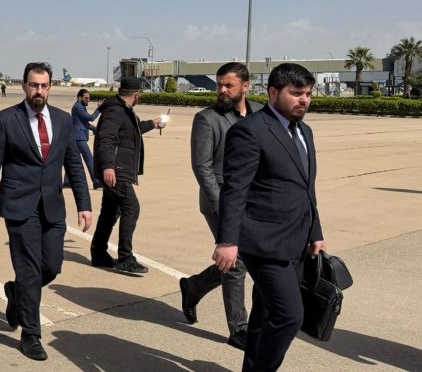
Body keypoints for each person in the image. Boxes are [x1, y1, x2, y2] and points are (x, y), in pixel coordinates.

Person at [214, 63, 326, 372]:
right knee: (290, 316)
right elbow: (234, 190)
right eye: (296, 94)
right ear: (273, 92)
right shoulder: (250, 130)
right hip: (263, 241)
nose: (304, 100)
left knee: (265, 317)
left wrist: (315, 231)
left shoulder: (305, 131)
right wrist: (227, 241)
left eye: (308, 94)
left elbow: (306, 188)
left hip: (297, 240)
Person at [0, 62, 92, 361]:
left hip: (52, 206)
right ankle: (31, 334)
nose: (38, 90)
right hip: (18, 205)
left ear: (50, 87)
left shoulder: (62, 120)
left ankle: (17, 293)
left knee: (51, 267)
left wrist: (85, 204)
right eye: (33, 85)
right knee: (29, 270)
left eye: (43, 85)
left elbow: (74, 165)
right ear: (24, 85)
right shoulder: (5, 119)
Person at [179, 62, 261, 351]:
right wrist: (223, 207)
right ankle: (239, 329)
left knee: (247, 259)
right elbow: (202, 168)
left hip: (253, 200)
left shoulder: (261, 114)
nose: (223, 90)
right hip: (221, 200)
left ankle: (195, 286)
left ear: (245, 86)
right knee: (236, 263)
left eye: (229, 85)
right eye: (220, 85)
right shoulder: (207, 119)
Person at [90, 76, 165, 275]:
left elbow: (134, 130)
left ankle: (98, 253)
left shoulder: (122, 109)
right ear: (137, 94)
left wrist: (154, 123)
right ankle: (125, 257)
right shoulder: (116, 110)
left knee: (109, 212)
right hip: (117, 170)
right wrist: (108, 166)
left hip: (117, 170)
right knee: (131, 207)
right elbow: (105, 138)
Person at [70, 88, 101, 189]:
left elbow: (84, 123)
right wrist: (100, 109)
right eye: (86, 98)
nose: (88, 100)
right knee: (89, 159)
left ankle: (67, 181)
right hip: (79, 138)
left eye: (89, 98)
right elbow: (91, 118)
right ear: (79, 98)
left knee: (73, 160)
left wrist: (95, 129)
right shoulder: (78, 107)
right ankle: (96, 182)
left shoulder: (80, 106)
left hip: (77, 137)